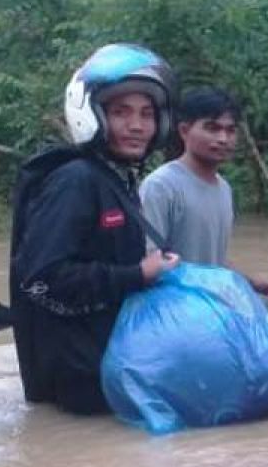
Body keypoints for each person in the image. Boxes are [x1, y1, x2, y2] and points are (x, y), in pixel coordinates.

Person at [10, 43, 180, 415]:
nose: (137, 126)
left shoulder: (117, 180)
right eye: (121, 113)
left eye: (147, 114)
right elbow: (41, 279)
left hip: (108, 363)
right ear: (92, 115)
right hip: (77, 380)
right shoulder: (76, 181)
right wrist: (137, 274)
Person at [140, 88, 268, 295]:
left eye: (230, 130)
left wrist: (251, 284)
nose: (223, 138)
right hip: (173, 309)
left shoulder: (224, 189)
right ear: (184, 131)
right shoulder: (161, 186)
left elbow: (215, 261)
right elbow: (149, 262)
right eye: (212, 128)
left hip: (211, 306)